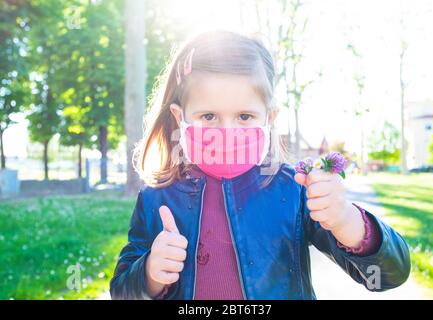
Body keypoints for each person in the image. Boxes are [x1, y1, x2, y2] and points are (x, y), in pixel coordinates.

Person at [110, 30, 410, 300]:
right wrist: (149, 275)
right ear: (180, 118)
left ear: (269, 118)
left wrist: (347, 221)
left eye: (244, 117)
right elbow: (122, 291)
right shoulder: (156, 198)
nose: (227, 132)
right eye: (208, 117)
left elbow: (389, 275)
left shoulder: (296, 192)